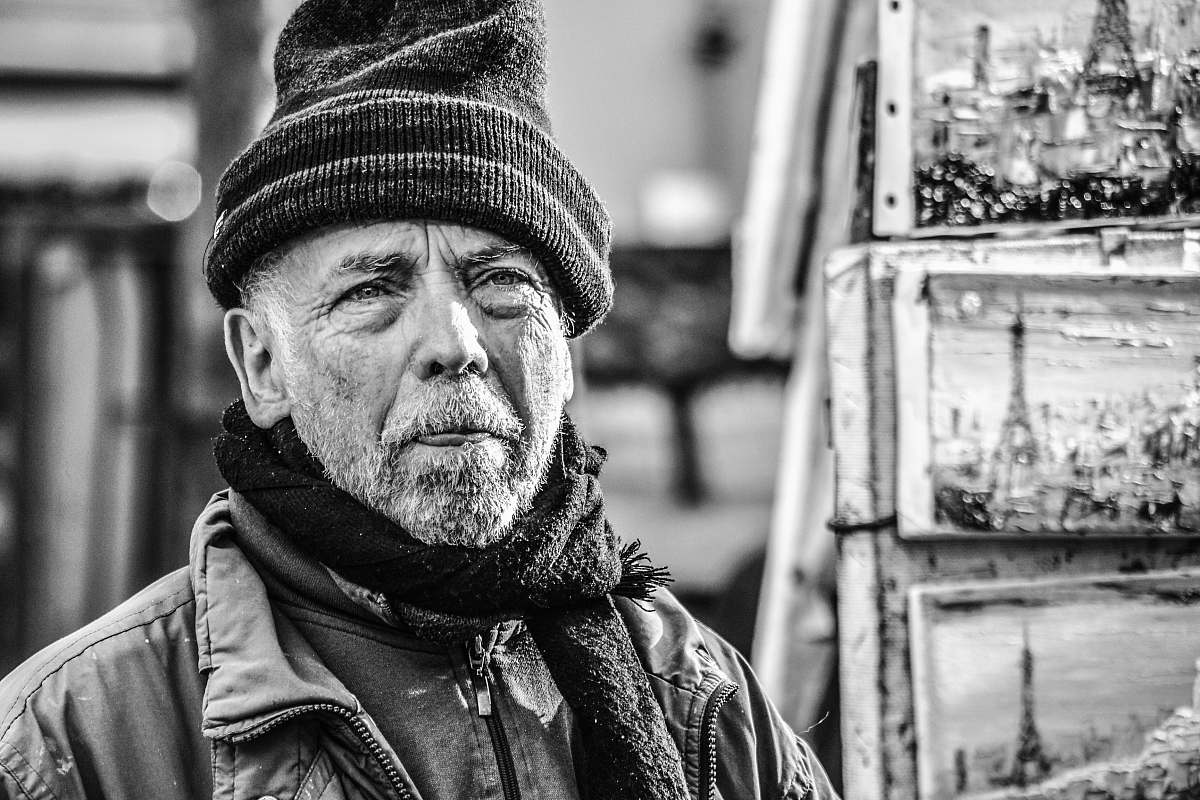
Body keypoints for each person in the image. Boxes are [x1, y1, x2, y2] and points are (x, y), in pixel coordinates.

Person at [0, 2, 838, 798]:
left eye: (501, 282)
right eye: (372, 290)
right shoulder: (73, 744)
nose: (457, 344)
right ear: (261, 366)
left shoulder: (700, 698)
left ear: (567, 352)